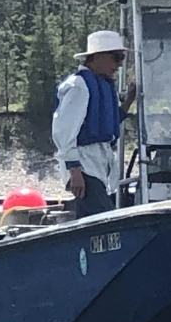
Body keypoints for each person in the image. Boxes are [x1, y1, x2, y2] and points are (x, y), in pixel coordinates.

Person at [52, 29, 136, 218]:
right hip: (84, 166)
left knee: (89, 219)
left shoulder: (103, 86)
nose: (119, 64)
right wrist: (74, 170)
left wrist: (129, 100)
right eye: (115, 57)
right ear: (96, 57)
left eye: (121, 58)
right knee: (105, 218)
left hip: (100, 165)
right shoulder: (79, 86)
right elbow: (63, 130)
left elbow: (109, 122)